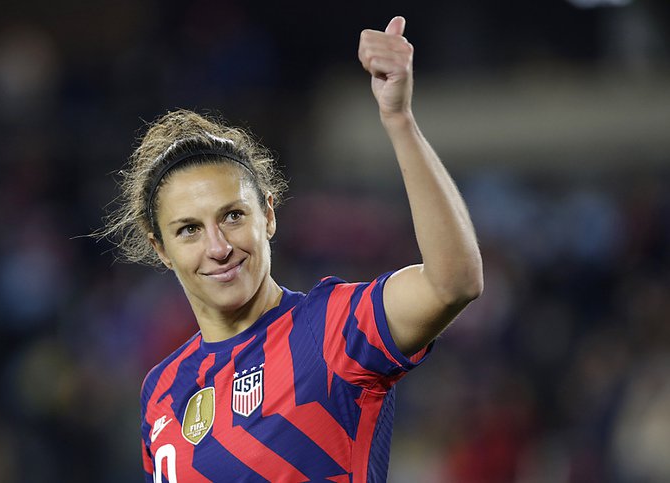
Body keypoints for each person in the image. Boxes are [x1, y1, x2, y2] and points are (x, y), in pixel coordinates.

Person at [102, 16, 482, 482]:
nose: (218, 247)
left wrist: (399, 121)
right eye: (189, 230)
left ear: (269, 215)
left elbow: (453, 282)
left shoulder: (331, 330)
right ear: (159, 248)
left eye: (233, 216)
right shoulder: (160, 391)